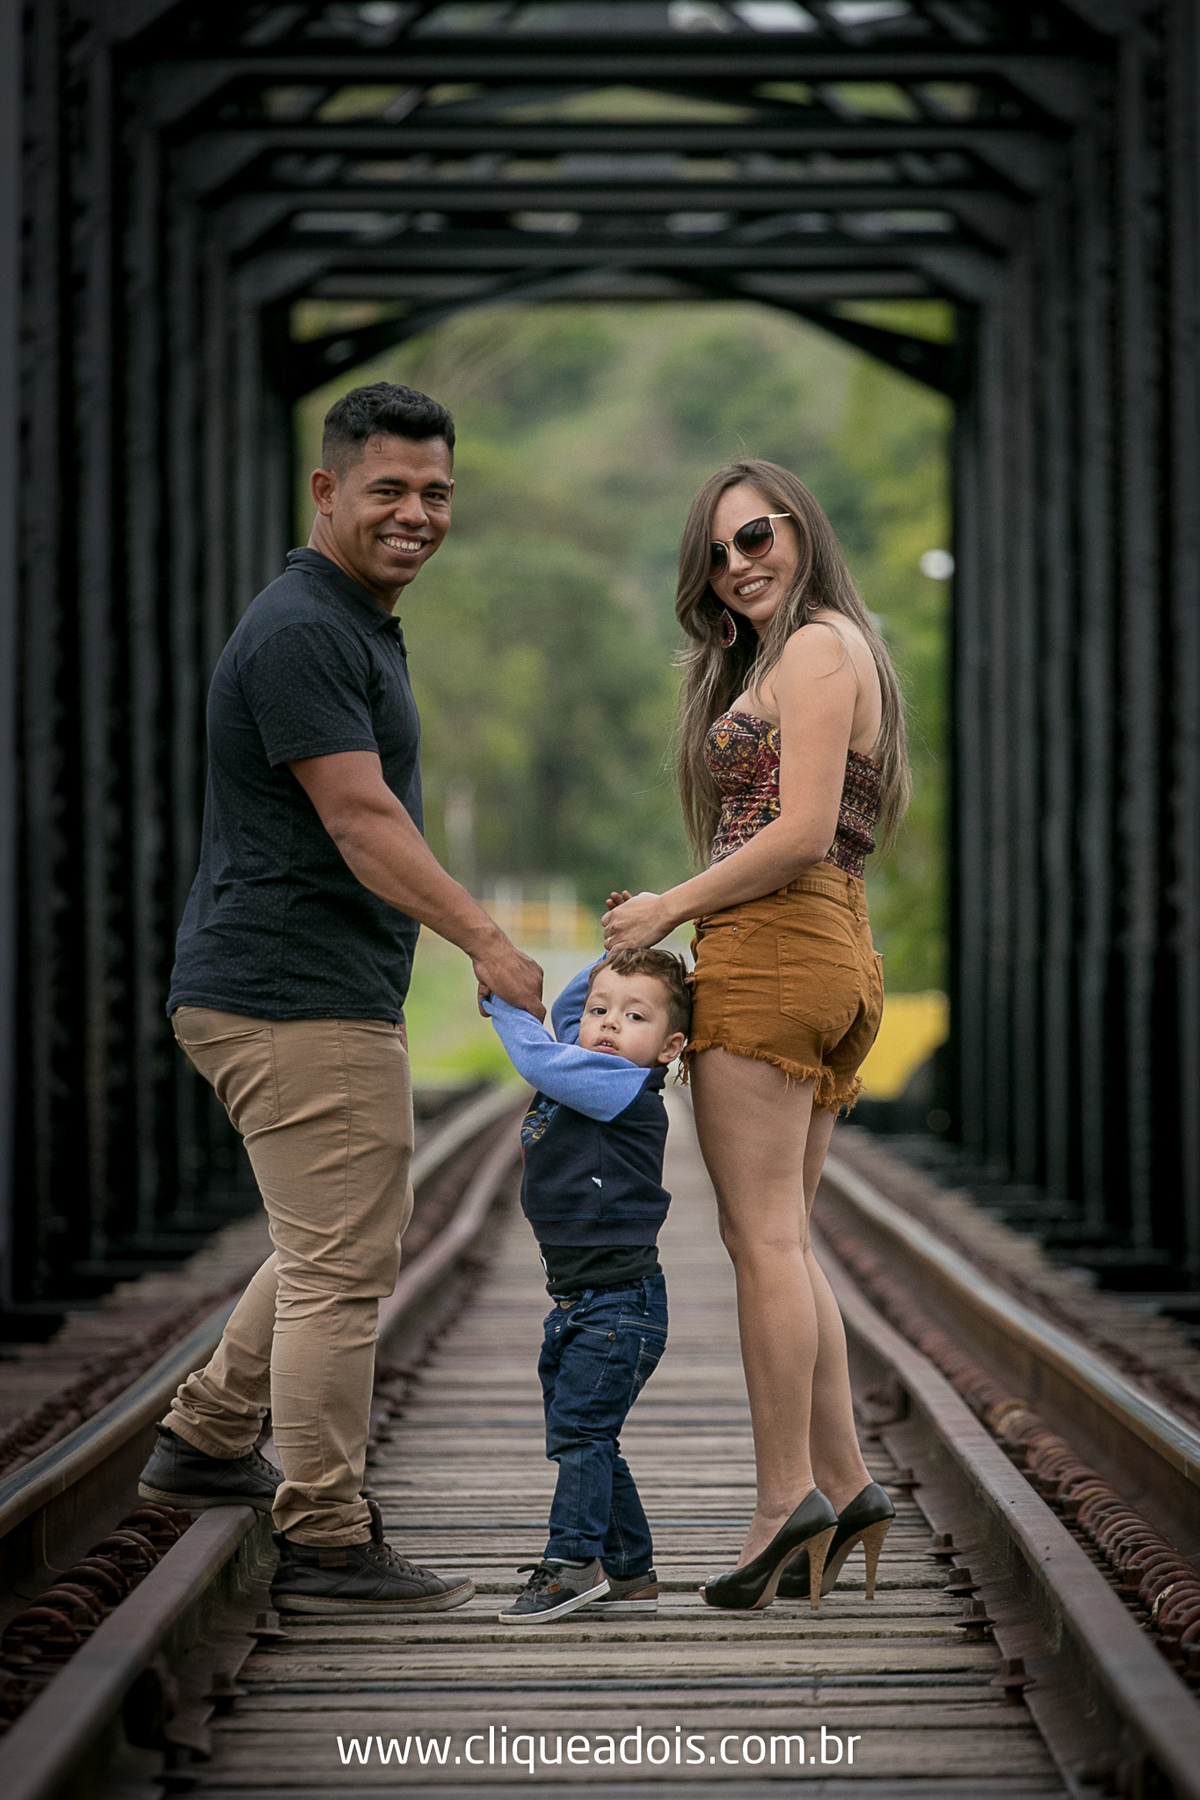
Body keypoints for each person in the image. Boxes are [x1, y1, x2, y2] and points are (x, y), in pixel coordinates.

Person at [138, 381, 544, 1616]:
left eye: (436, 493)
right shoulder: (305, 629)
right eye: (389, 490)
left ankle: (207, 1439)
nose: (417, 513)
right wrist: (488, 939)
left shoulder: (348, 617)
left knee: (335, 1245)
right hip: (288, 990)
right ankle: (323, 1534)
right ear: (328, 491)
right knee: (340, 1272)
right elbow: (362, 821)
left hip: (299, 984)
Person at [603, 460, 909, 1613]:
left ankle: (784, 1500)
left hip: (780, 943)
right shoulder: (803, 652)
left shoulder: (822, 646)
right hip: (826, 947)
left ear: (801, 527)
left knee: (761, 1244)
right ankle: (843, 1478)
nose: (742, 564)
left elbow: (803, 830)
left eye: (759, 534)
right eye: (721, 553)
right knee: (787, 1238)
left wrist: (667, 908)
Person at [481, 949, 690, 1623]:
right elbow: (571, 1016)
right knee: (588, 1435)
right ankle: (630, 1570)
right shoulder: (595, 1061)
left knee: (581, 1433)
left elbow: (541, 1055)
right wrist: (615, 947)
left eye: (635, 1017)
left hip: (616, 1307)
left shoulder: (618, 1087)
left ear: (670, 1047)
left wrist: (505, 1006)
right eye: (601, 1012)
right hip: (581, 1303)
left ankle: (572, 1565)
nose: (606, 1025)